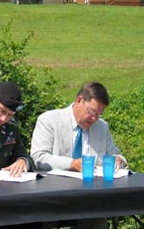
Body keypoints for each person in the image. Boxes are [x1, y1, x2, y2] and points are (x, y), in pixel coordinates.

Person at [31, 81, 127, 229]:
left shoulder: (102, 127)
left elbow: (116, 154)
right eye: (91, 112)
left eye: (99, 114)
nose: (94, 119)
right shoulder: (49, 120)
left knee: (99, 216)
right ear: (79, 100)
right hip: (54, 195)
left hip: (92, 199)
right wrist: (72, 164)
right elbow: (38, 158)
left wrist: (118, 160)